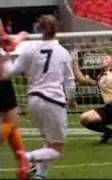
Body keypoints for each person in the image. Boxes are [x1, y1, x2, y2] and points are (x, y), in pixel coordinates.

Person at [1, 15, 76, 179]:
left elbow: (8, 73)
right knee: (56, 150)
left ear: (39, 28)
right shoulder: (63, 52)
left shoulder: (30, 49)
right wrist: (71, 99)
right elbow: (69, 81)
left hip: (33, 101)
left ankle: (41, 175)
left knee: (49, 140)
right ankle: (27, 158)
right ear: (57, 29)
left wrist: (5, 56)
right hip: (53, 101)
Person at [0, 20, 29, 180]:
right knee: (10, 123)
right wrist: (21, 36)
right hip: (2, 82)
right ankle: (24, 162)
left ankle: (23, 163)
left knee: (11, 125)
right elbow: (8, 45)